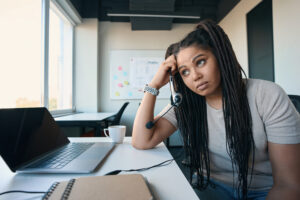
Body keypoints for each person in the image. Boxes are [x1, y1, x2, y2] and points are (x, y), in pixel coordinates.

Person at [132, 20, 300, 200]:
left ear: (220, 57)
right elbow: (142, 140)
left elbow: (288, 184)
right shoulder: (186, 103)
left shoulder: (267, 95)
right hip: (210, 187)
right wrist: (154, 85)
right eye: (185, 71)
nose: (195, 76)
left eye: (201, 62)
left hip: (263, 191)